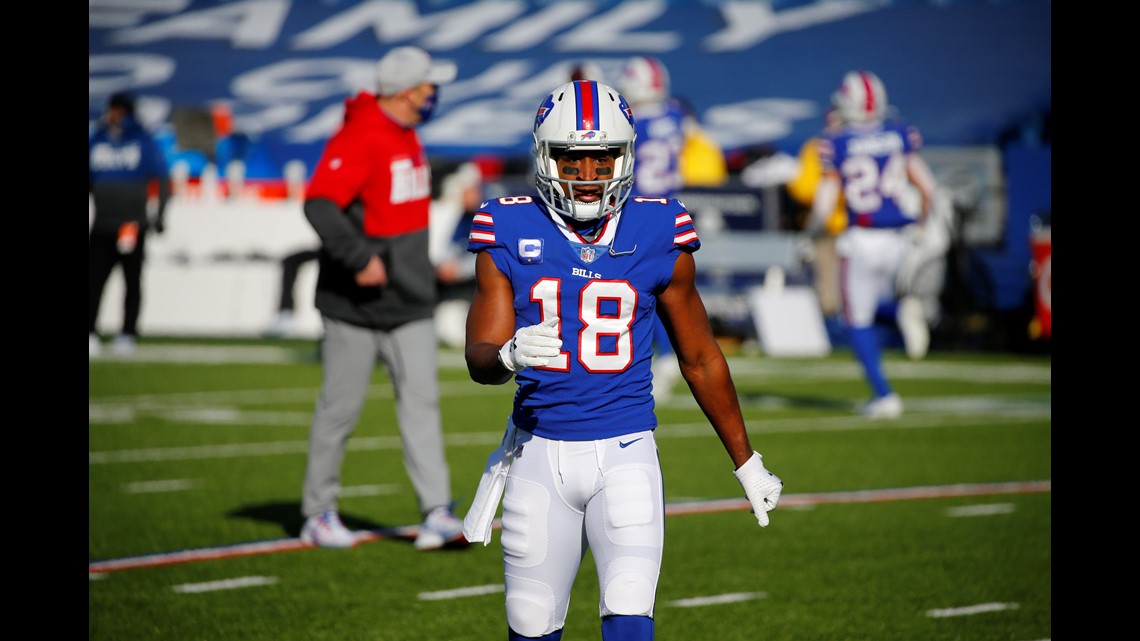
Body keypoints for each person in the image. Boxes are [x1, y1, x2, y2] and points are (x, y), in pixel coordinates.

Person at [460, 79, 784, 641]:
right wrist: (508, 354)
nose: (588, 176)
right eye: (572, 160)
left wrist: (746, 460)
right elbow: (479, 357)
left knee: (630, 617)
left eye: (602, 159)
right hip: (538, 454)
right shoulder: (508, 226)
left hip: (626, 453)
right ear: (545, 158)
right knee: (531, 626)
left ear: (625, 156)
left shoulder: (659, 227)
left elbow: (701, 357)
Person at [298, 46, 464, 550]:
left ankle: (437, 511)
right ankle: (318, 512)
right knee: (339, 411)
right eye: (429, 85)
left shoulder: (406, 134)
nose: (435, 92)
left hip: (410, 300)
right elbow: (320, 204)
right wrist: (359, 258)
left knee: (423, 405)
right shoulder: (362, 133)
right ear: (409, 91)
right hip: (356, 306)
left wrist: (419, 267)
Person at [810, 70, 937, 419]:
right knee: (872, 305)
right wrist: (922, 226)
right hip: (899, 237)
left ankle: (884, 394)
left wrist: (812, 234)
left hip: (861, 238)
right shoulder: (899, 133)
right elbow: (928, 188)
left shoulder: (836, 141)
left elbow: (824, 205)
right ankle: (902, 311)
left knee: (855, 319)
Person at [615, 55, 705, 404]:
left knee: (640, 290)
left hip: (637, 210)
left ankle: (666, 358)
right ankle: (670, 356)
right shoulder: (676, 115)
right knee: (669, 291)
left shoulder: (633, 120)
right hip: (671, 207)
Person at [89, 91, 171, 357]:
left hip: (130, 224)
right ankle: (91, 330)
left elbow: (162, 178)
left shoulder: (142, 141)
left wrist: (160, 213)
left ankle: (127, 332)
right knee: (94, 279)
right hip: (102, 222)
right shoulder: (98, 140)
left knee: (131, 280)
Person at [785, 107, 846, 320]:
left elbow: (805, 189)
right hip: (843, 227)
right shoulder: (818, 147)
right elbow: (803, 187)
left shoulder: (823, 147)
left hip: (837, 225)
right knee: (833, 285)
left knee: (838, 286)